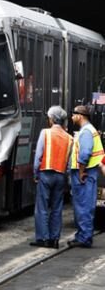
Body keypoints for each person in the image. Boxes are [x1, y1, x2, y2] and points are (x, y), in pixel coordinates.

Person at [30, 106, 73, 249]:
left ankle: (42, 238)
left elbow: (38, 157)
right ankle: (54, 240)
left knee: (42, 207)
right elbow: (69, 163)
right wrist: (67, 179)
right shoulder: (69, 138)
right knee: (56, 208)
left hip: (46, 173)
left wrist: (35, 174)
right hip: (60, 176)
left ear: (52, 119)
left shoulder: (45, 133)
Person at [68, 105, 104, 248]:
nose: (71, 117)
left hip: (84, 173)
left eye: (73, 114)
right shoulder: (89, 130)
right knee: (84, 205)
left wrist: (82, 171)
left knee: (83, 206)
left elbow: (85, 154)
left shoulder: (86, 132)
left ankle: (84, 237)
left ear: (80, 116)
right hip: (89, 172)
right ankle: (82, 235)